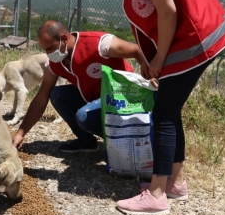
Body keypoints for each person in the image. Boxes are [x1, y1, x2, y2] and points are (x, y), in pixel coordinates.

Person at [82, 0, 225, 215]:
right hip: (188, 43)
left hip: (194, 40)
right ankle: (175, 183)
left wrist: (159, 59)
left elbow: (168, 10)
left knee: (163, 113)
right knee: (169, 109)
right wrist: (152, 60)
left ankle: (155, 194)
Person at [11, 20, 150, 153]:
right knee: (57, 95)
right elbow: (42, 97)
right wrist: (20, 133)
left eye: (50, 48)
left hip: (121, 99)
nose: (48, 54)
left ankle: (124, 140)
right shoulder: (55, 63)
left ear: (64, 39)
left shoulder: (99, 44)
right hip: (95, 100)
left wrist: (151, 78)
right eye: (45, 50)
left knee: (83, 116)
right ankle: (87, 142)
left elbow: (137, 51)